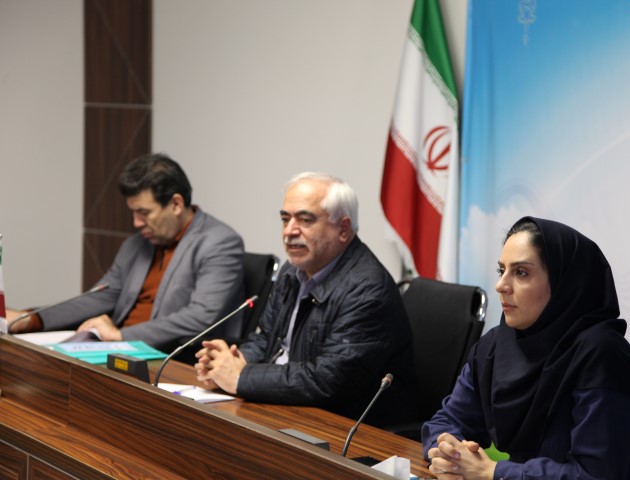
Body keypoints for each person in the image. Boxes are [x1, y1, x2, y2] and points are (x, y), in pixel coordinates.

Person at [423, 217, 630, 480]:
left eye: (521, 273)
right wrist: (449, 454)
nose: (501, 285)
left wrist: (493, 471)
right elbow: (446, 422)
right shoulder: (494, 346)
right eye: (502, 270)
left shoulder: (602, 356)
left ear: (564, 283)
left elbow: (593, 475)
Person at [194, 172, 417, 427]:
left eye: (305, 220)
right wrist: (231, 363)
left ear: (343, 229)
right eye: (285, 219)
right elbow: (266, 339)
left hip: (347, 426)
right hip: (288, 406)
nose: (289, 231)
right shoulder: (293, 270)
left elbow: (328, 379)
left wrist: (241, 378)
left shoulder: (367, 289)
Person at [7, 153, 245, 357]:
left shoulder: (219, 242)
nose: (136, 223)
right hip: (114, 352)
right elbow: (99, 297)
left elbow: (200, 317)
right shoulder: (137, 244)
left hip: (171, 359)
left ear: (176, 204)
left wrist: (122, 336)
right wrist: (31, 319)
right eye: (133, 212)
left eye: (144, 212)